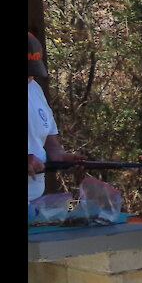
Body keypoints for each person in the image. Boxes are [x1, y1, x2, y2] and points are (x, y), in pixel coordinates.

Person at [28, 32, 84, 204]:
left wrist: (59, 156)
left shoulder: (35, 89)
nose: (30, 78)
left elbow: (48, 139)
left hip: (34, 199)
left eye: (31, 72)